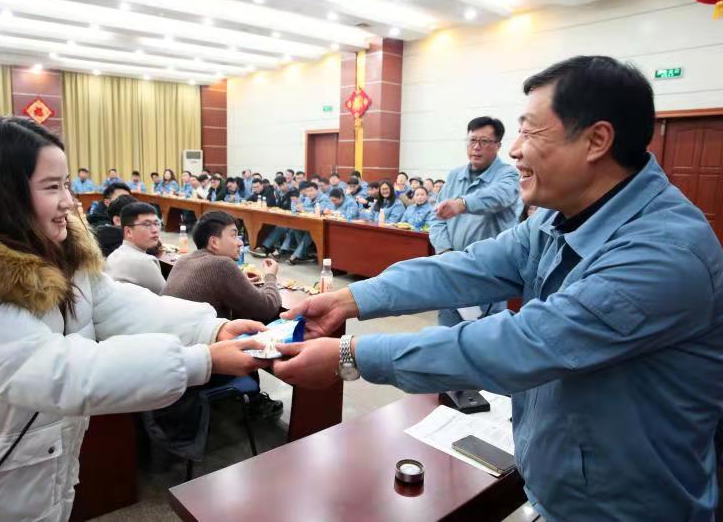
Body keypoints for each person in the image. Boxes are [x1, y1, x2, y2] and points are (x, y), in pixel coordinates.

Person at [272, 55, 723, 522]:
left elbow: (521, 345)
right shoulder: (559, 215)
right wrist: (348, 299)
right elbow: (466, 268)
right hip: (563, 486)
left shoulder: (664, 253)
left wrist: (351, 355)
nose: (516, 151)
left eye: (530, 132)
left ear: (596, 140)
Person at [0, 116, 270, 521]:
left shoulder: (54, 251)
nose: (69, 202)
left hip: (37, 466)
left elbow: (116, 303)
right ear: (1, 193)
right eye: (51, 187)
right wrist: (201, 361)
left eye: (66, 184)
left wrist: (212, 329)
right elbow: (58, 372)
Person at [429, 116, 520, 327]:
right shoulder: (455, 175)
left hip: (487, 273)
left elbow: (499, 197)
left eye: (484, 141)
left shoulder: (508, 175)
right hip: (452, 269)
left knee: (484, 335)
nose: (476, 147)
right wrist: (445, 252)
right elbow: (437, 219)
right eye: (472, 140)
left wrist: (462, 204)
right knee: (446, 332)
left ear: (498, 145)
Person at [164, 211, 282, 321]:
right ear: (214, 242)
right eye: (234, 236)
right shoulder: (222, 265)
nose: (240, 243)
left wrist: (240, 280)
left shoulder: (183, 260)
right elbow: (267, 308)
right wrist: (270, 276)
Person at [106, 202, 167, 294]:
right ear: (128, 231)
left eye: (156, 223)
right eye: (147, 224)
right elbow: (167, 295)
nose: (155, 230)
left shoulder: (114, 254)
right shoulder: (144, 261)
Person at [287, 182, 330, 265]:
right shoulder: (307, 198)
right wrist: (300, 208)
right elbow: (300, 207)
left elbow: (320, 210)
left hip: (321, 225)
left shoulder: (324, 198)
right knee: (295, 228)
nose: (309, 193)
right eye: (307, 191)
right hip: (308, 222)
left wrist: (303, 209)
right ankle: (303, 254)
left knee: (310, 232)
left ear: (317, 190)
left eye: (311, 190)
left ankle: (295, 255)